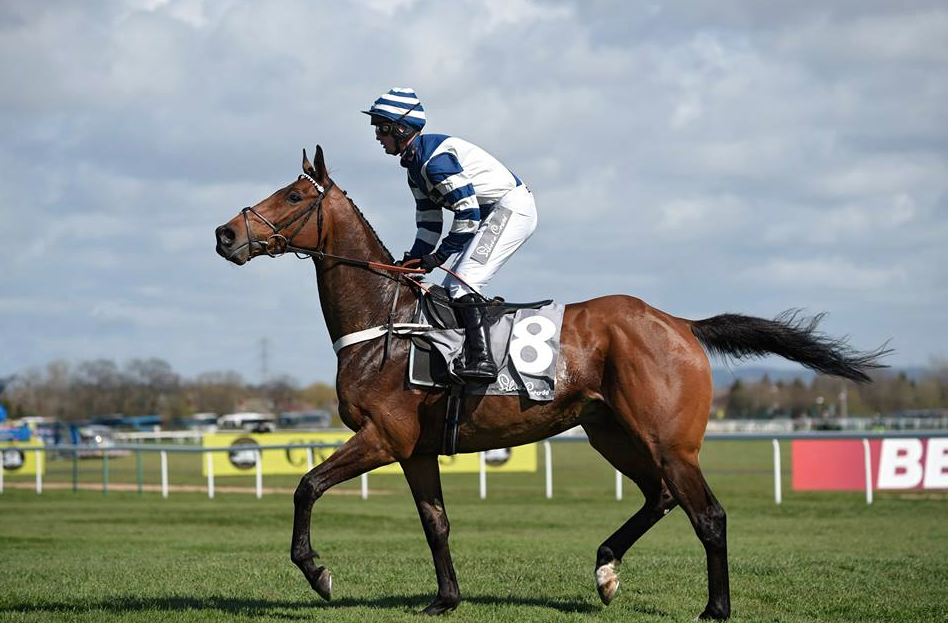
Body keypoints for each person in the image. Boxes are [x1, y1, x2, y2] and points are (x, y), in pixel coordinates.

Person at [363, 87, 538, 383]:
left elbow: (467, 215)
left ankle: (483, 362)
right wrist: (416, 257)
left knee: (461, 284)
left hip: (509, 209)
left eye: (382, 128)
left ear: (401, 128)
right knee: (450, 286)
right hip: (490, 213)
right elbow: (429, 220)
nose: (377, 137)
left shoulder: (436, 163)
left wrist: (438, 256)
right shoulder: (414, 167)